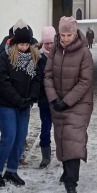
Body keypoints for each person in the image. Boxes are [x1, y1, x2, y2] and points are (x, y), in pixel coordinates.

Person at [44, 16, 94, 193]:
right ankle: (67, 172)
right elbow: (48, 75)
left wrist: (67, 101)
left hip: (78, 103)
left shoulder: (84, 52)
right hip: (57, 101)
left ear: (75, 34)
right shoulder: (55, 49)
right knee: (62, 138)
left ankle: (71, 185)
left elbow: (85, 81)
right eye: (63, 35)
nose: (65, 38)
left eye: (69, 35)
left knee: (73, 139)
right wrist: (54, 98)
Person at [0, 21, 40, 189]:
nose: (24, 47)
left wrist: (31, 97)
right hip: (7, 104)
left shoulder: (34, 57)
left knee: (20, 138)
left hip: (24, 105)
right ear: (15, 43)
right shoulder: (5, 57)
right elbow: (2, 82)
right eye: (21, 44)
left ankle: (11, 170)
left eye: (26, 44)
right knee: (9, 137)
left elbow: (37, 78)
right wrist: (18, 99)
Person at [37, 26, 57, 168]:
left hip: (59, 99)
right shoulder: (39, 58)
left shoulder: (61, 55)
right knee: (45, 127)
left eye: (51, 43)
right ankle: (45, 155)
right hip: (44, 99)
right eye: (46, 43)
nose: (49, 46)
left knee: (61, 128)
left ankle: (64, 153)